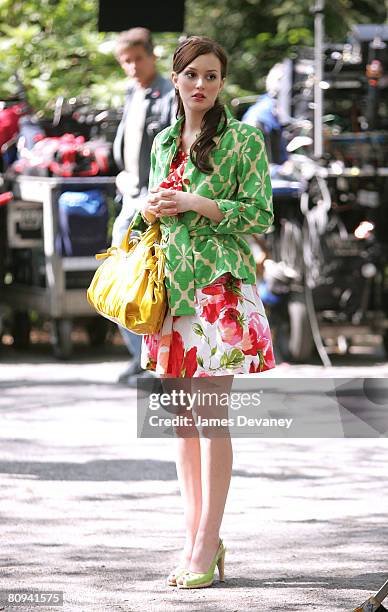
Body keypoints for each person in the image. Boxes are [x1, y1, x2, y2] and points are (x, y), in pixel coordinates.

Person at [135, 36, 276, 589]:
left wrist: (196, 202)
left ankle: (204, 543)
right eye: (192, 74)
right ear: (175, 78)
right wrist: (149, 206)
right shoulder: (163, 140)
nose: (201, 85)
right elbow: (154, 219)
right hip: (174, 292)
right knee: (181, 425)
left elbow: (260, 215)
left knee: (212, 419)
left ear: (222, 83)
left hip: (221, 293)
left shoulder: (243, 139)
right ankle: (195, 536)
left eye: (212, 76)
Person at [111, 27, 175, 386]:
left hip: (152, 204)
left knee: (150, 285)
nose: (133, 66)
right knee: (122, 281)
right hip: (129, 199)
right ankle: (140, 358)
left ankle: (153, 364)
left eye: (138, 58)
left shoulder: (169, 96)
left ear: (152, 56)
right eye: (126, 61)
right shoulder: (131, 94)